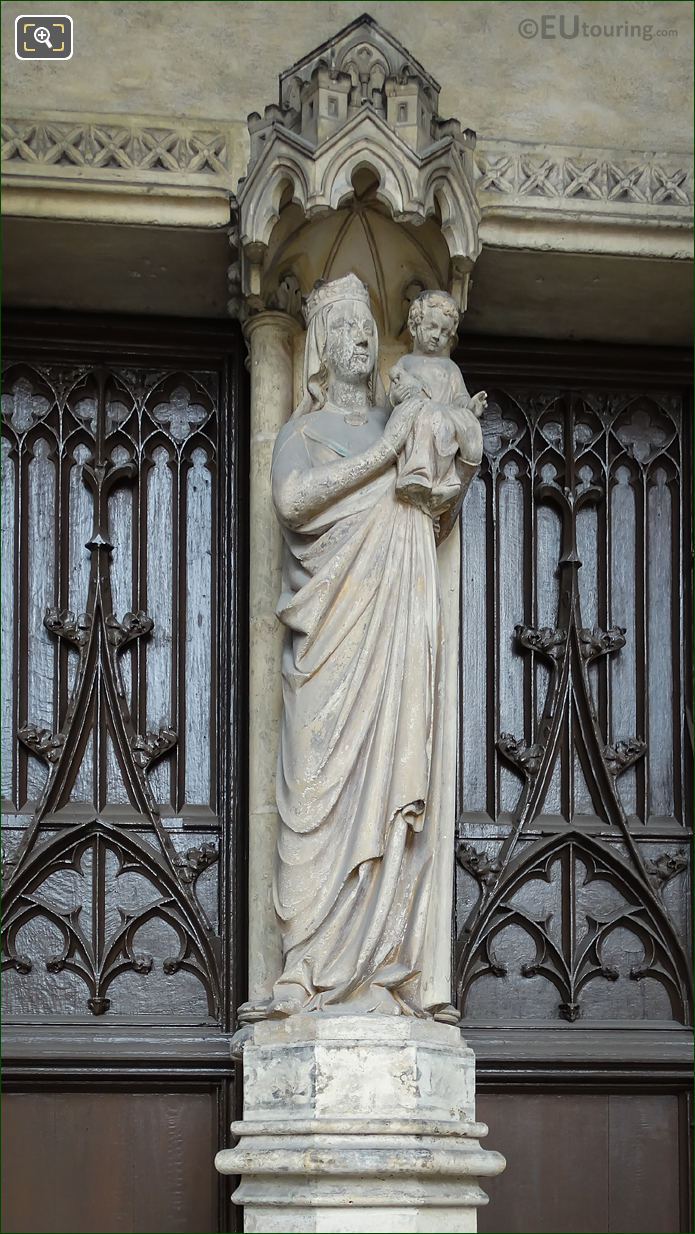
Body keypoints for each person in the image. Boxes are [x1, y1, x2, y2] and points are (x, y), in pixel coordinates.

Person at [239, 273, 481, 1022]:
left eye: (369, 329)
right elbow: (291, 500)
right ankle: (306, 965)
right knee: (315, 793)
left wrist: (446, 455)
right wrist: (384, 455)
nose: (363, 340)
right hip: (328, 647)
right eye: (346, 329)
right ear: (317, 348)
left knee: (391, 795)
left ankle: (383, 968)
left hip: (395, 636)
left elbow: (437, 501)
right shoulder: (300, 435)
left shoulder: (407, 417)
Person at [389, 289, 487, 521]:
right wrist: (400, 395)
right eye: (431, 327)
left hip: (445, 423)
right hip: (420, 420)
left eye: (444, 332)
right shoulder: (406, 362)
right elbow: (392, 401)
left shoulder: (450, 368)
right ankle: (417, 474)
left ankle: (444, 481)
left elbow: (459, 399)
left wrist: (471, 407)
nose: (437, 336)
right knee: (423, 417)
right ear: (414, 327)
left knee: (450, 425)